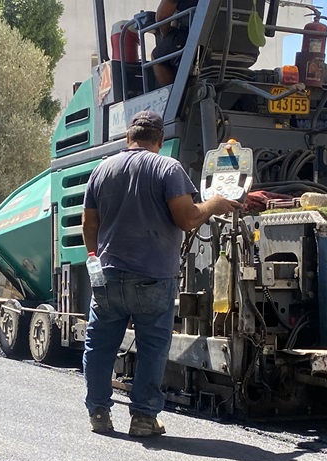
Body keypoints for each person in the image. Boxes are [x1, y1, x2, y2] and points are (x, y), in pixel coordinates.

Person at [82, 110, 241, 437]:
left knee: (99, 347)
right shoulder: (168, 168)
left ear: (128, 138)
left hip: (107, 274)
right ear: (160, 140)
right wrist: (214, 203)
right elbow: (187, 218)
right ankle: (143, 418)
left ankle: (98, 412)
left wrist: (94, 260)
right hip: (153, 277)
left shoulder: (102, 170)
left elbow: (89, 224)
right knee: (152, 350)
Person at [152, 0, 198, 87]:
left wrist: (165, 33)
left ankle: (176, 93)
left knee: (158, 57)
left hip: (193, 38)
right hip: (222, 43)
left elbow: (162, 17)